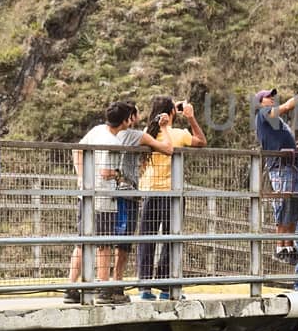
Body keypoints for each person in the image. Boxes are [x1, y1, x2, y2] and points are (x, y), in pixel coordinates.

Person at [69, 102, 173, 303]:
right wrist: (165, 127)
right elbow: (168, 149)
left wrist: (82, 177)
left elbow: (77, 150)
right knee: (108, 245)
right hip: (111, 198)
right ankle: (108, 289)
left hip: (88, 194)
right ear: (128, 119)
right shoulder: (123, 138)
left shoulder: (98, 130)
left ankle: (72, 287)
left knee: (84, 241)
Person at [136, 96, 207, 300]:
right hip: (171, 194)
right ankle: (167, 287)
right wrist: (191, 117)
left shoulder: (146, 134)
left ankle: (145, 287)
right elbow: (201, 141)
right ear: (172, 113)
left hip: (149, 191)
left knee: (146, 239)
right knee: (171, 239)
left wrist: (170, 112)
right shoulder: (177, 135)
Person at [254, 87, 298, 266]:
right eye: (267, 96)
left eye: (272, 96)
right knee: (282, 205)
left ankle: (290, 247)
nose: (272, 98)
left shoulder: (277, 121)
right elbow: (287, 106)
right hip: (278, 167)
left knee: (293, 205)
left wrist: (297, 148)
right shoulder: (263, 114)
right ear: (260, 102)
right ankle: (280, 248)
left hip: (290, 165)